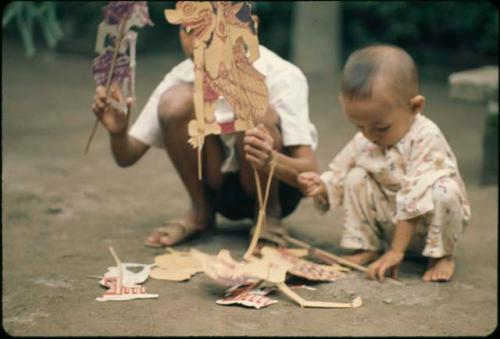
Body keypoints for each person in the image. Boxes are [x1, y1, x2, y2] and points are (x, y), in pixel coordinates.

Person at [91, 3, 318, 248]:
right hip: (219, 188)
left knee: (255, 107)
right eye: (189, 30)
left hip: (278, 187)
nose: (199, 41)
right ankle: (201, 212)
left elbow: (308, 173)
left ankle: (268, 215)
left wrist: (270, 159)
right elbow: (126, 156)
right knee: (175, 101)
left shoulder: (282, 76)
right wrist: (118, 132)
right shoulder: (181, 76)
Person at [297, 44, 470, 283]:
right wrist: (321, 185)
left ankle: (442, 256)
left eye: (380, 127)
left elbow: (415, 196)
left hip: (427, 228)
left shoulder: (426, 136)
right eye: (359, 126)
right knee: (356, 175)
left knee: (444, 189)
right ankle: (367, 245)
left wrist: (397, 251)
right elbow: (340, 171)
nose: (370, 135)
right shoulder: (367, 138)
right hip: (391, 226)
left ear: (415, 107)